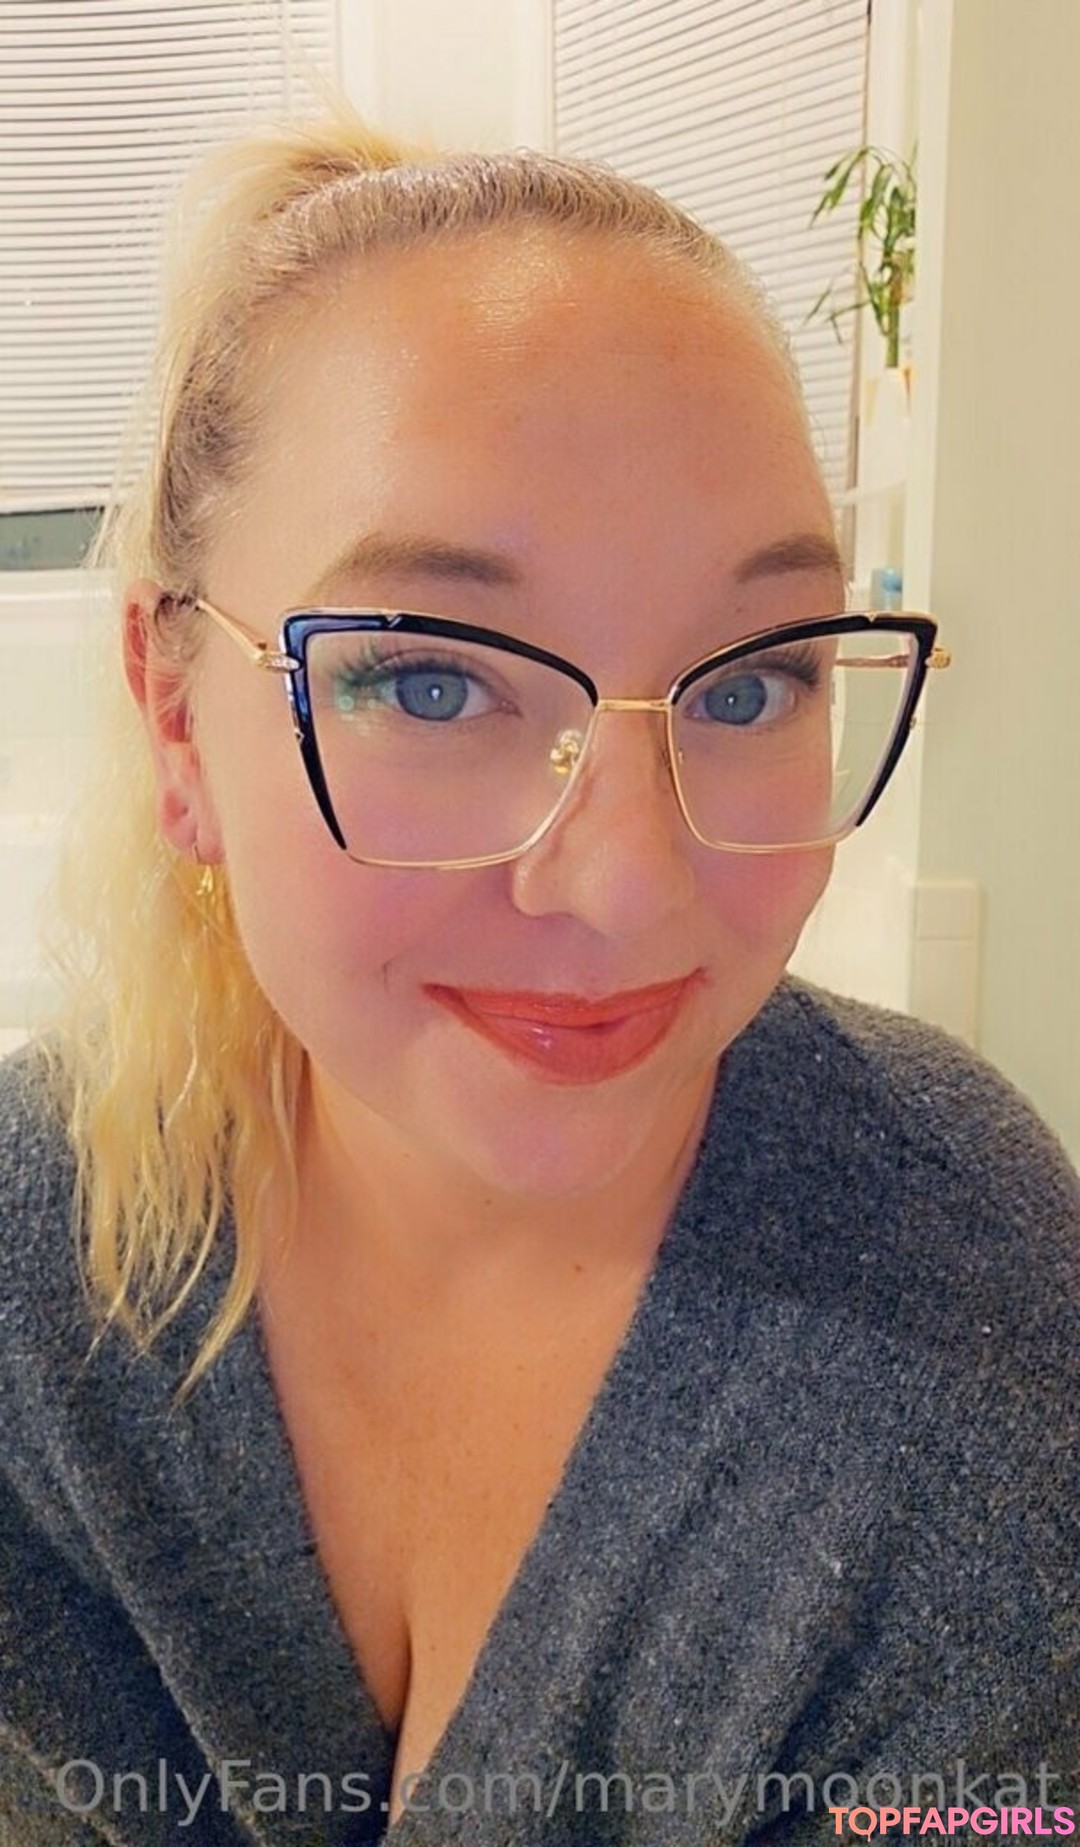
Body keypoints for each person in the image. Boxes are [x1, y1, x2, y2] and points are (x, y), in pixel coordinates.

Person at [1, 112, 1077, 1847]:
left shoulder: (967, 1324)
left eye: (752, 683)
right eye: (430, 682)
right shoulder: (37, 1262)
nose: (632, 884)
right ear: (175, 717)